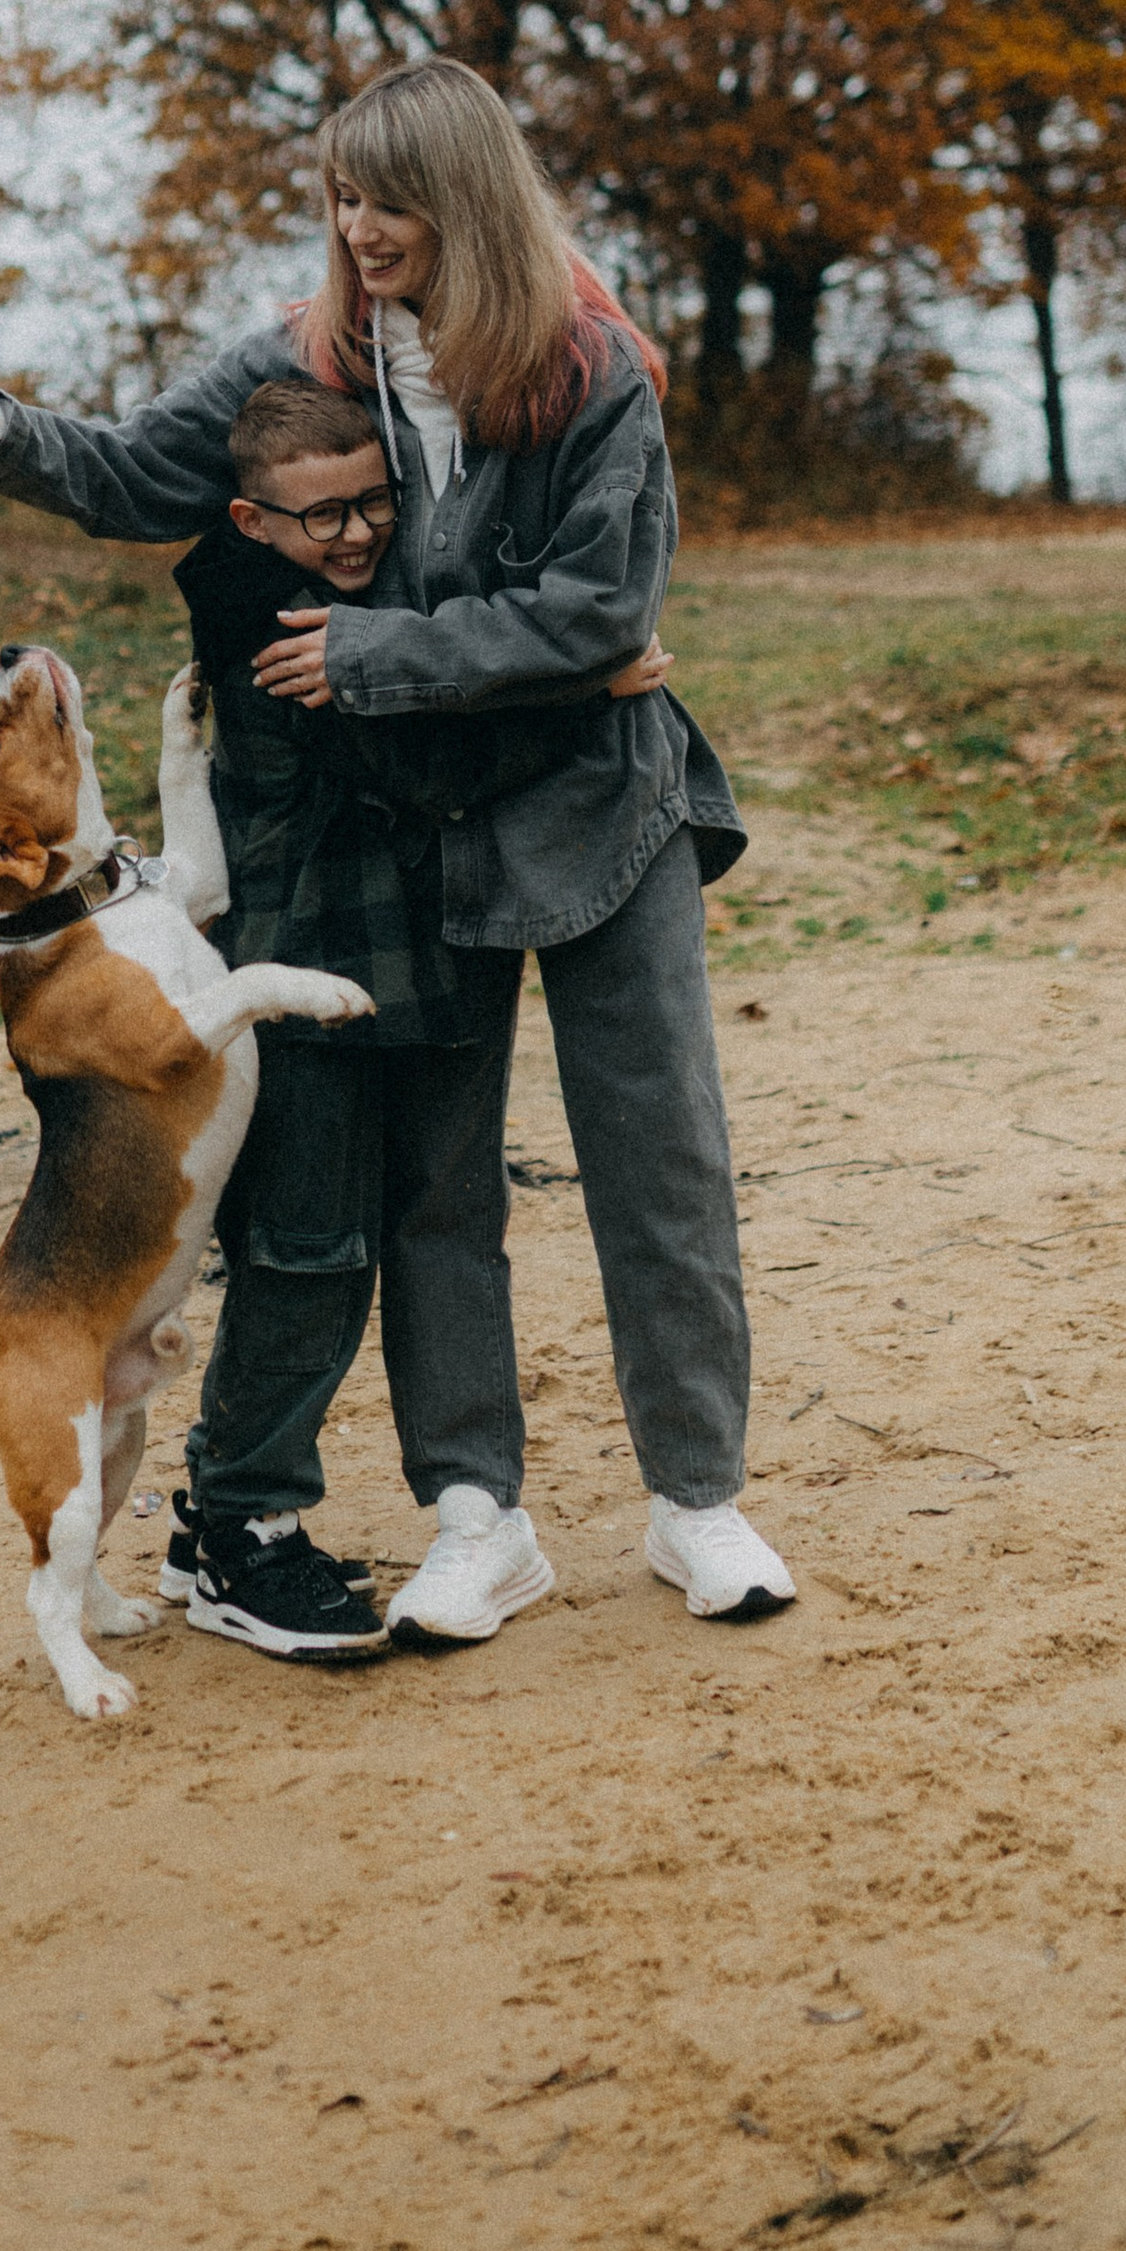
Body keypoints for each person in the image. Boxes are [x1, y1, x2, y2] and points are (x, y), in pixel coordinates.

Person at [0, 56, 796, 1642]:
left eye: (394, 200)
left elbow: (603, 608)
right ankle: (477, 1517)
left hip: (605, 795)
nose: (363, 229)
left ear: (469, 200)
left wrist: (378, 655)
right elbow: (135, 473)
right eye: (345, 196)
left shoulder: (589, 367)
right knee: (441, 1184)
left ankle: (697, 1502)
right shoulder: (308, 359)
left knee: (661, 1152)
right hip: (436, 820)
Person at [155, 375, 673, 1659]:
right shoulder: (273, 624)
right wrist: (591, 691)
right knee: (306, 1249)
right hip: (305, 969)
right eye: (318, 516)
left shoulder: (367, 600)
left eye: (371, 503)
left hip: (420, 953)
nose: (353, 535)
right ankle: (240, 1525)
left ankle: (223, 1508)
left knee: (409, 1224)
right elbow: (421, 765)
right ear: (252, 520)